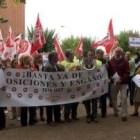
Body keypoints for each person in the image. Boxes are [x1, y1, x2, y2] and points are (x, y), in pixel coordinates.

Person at [43, 52, 65, 126]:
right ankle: (49, 120)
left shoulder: (55, 65)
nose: (58, 58)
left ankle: (57, 118)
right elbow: (47, 79)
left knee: (57, 104)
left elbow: (62, 71)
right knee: (50, 105)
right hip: (50, 88)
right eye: (57, 56)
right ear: (52, 58)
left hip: (56, 88)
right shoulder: (48, 66)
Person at [108, 47, 130, 121]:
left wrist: (122, 79)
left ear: (121, 53)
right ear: (114, 52)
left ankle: (124, 114)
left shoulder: (125, 61)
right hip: (114, 82)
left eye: (119, 52)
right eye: (116, 52)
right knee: (113, 97)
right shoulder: (110, 61)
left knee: (124, 97)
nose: (117, 53)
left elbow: (127, 72)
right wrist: (110, 76)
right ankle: (116, 111)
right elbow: (108, 71)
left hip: (123, 82)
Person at [17, 55, 37, 126]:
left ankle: (32, 120)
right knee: (24, 107)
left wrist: (33, 71)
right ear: (23, 60)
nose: (29, 59)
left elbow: (38, 76)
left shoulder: (32, 67)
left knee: (32, 106)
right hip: (22, 91)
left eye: (29, 58)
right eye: (27, 58)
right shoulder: (19, 68)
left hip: (31, 90)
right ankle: (24, 122)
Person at [61, 50, 80, 122]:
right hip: (67, 86)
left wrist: (79, 69)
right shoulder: (62, 63)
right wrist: (69, 70)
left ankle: (74, 115)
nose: (73, 56)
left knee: (76, 101)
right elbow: (61, 74)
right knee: (68, 102)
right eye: (72, 55)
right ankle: (66, 116)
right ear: (68, 56)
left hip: (76, 85)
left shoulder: (76, 62)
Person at [82, 49, 99, 123]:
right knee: (86, 100)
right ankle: (88, 115)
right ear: (87, 55)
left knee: (95, 100)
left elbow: (98, 71)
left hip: (94, 84)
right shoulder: (83, 62)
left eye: (92, 55)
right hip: (86, 84)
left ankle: (94, 115)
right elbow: (81, 70)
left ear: (94, 55)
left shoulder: (96, 62)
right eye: (89, 55)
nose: (90, 56)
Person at [96, 49, 107, 118]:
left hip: (103, 81)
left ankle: (104, 113)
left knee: (103, 97)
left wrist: (107, 67)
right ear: (96, 54)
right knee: (94, 99)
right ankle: (94, 113)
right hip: (94, 82)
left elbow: (106, 70)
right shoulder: (93, 61)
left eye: (103, 54)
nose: (102, 55)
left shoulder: (104, 60)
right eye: (101, 54)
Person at [34, 54, 45, 121]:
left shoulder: (44, 66)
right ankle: (34, 116)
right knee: (35, 101)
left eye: (41, 57)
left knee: (42, 102)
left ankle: (41, 115)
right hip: (36, 86)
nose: (40, 59)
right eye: (38, 58)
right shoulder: (34, 66)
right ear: (36, 59)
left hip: (42, 86)